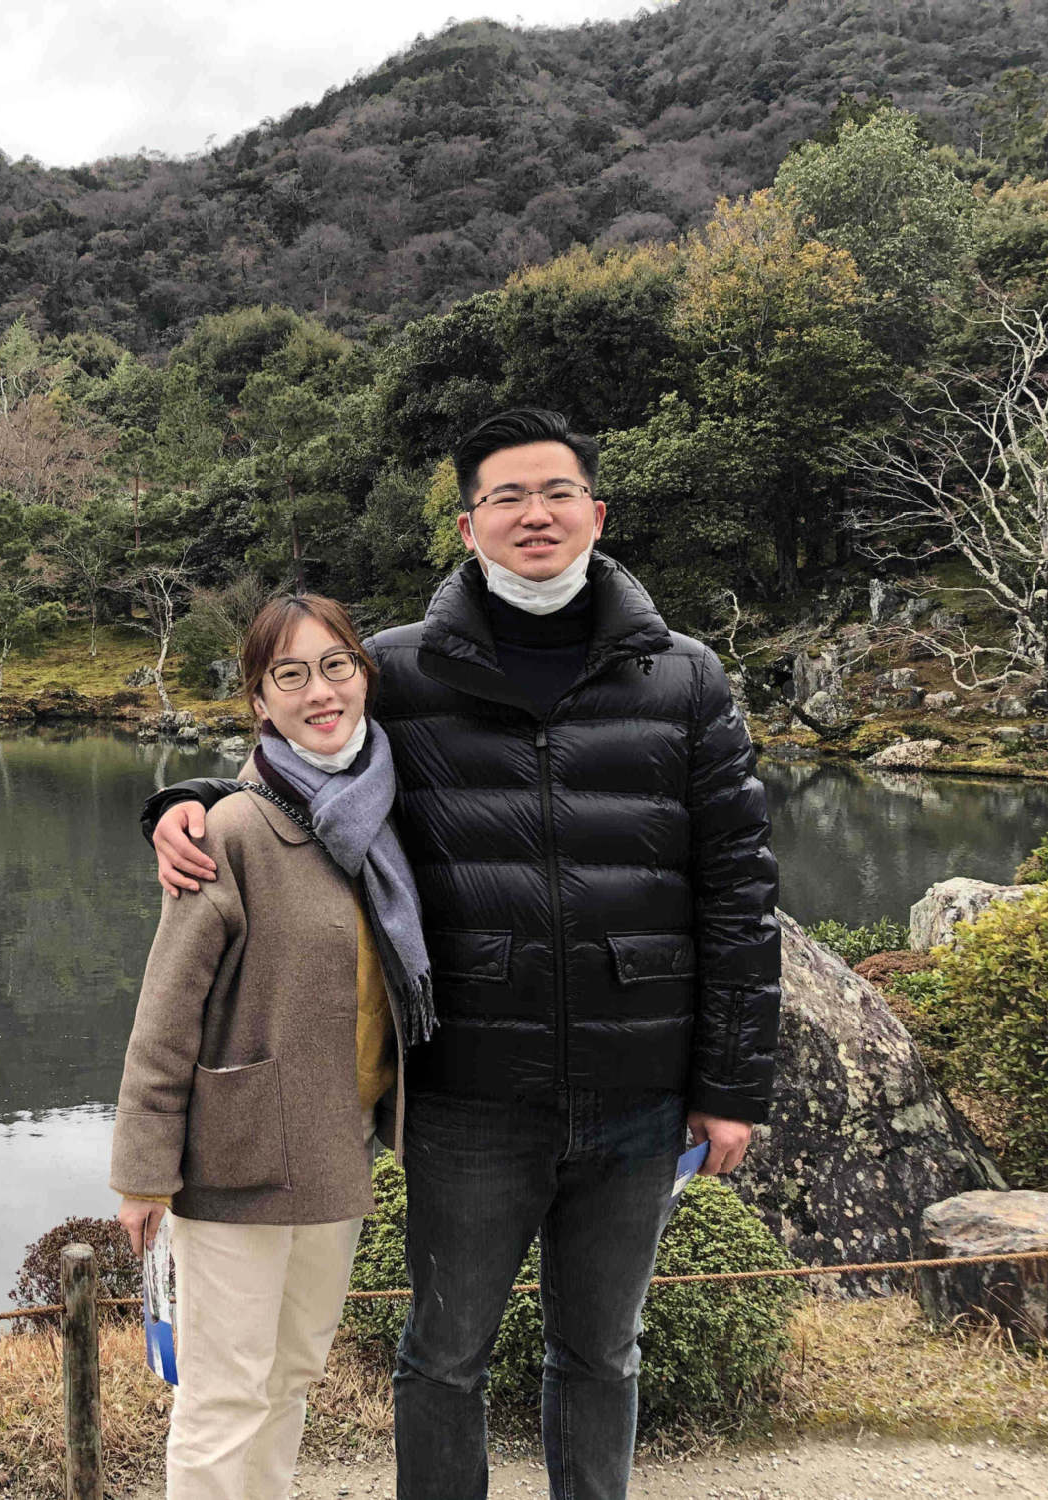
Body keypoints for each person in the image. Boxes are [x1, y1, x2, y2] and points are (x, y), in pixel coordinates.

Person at [145, 408, 781, 1500]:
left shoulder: (682, 677)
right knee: (442, 1356)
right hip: (466, 1085)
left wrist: (728, 1087)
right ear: (466, 524)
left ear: (596, 514)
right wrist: (184, 801)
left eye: (556, 493)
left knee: (603, 1351)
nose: (535, 515)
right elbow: (306, 759)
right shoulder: (405, 668)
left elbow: (739, 892)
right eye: (506, 497)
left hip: (637, 1081)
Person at [110, 592, 434, 1500]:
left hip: (335, 1150)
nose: (319, 692)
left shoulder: (385, 811)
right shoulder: (230, 832)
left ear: (364, 675)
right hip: (240, 1159)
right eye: (290, 675)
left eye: (335, 666)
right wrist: (143, 1174)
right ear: (259, 700)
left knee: (291, 1378)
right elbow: (164, 1016)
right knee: (224, 1396)